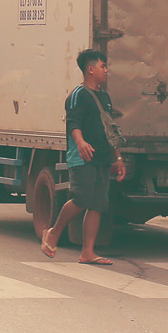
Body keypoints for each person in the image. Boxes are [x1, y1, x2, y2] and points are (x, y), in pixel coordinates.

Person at [43, 49, 125, 265]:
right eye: (102, 66)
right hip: (83, 157)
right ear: (90, 69)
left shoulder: (104, 97)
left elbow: (111, 129)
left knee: (97, 204)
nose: (106, 70)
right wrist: (80, 143)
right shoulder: (78, 95)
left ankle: (87, 252)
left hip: (102, 158)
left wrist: (117, 158)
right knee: (81, 198)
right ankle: (53, 233)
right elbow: (73, 123)